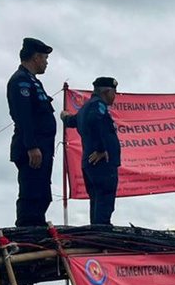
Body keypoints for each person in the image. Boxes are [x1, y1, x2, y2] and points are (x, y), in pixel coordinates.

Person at [7, 37, 56, 227]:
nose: (46, 62)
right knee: (31, 193)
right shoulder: (21, 82)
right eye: (45, 58)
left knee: (42, 193)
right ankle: (27, 231)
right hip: (32, 149)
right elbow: (23, 117)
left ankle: (36, 228)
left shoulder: (33, 81)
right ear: (36, 57)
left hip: (43, 148)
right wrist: (32, 146)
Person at [61, 77, 120, 225]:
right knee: (104, 200)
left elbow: (72, 121)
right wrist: (101, 149)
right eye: (114, 93)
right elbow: (94, 121)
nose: (115, 97)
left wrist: (65, 116)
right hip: (101, 162)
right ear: (107, 91)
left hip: (90, 163)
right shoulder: (97, 106)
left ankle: (97, 229)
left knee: (97, 200)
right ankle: (101, 233)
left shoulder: (86, 107)